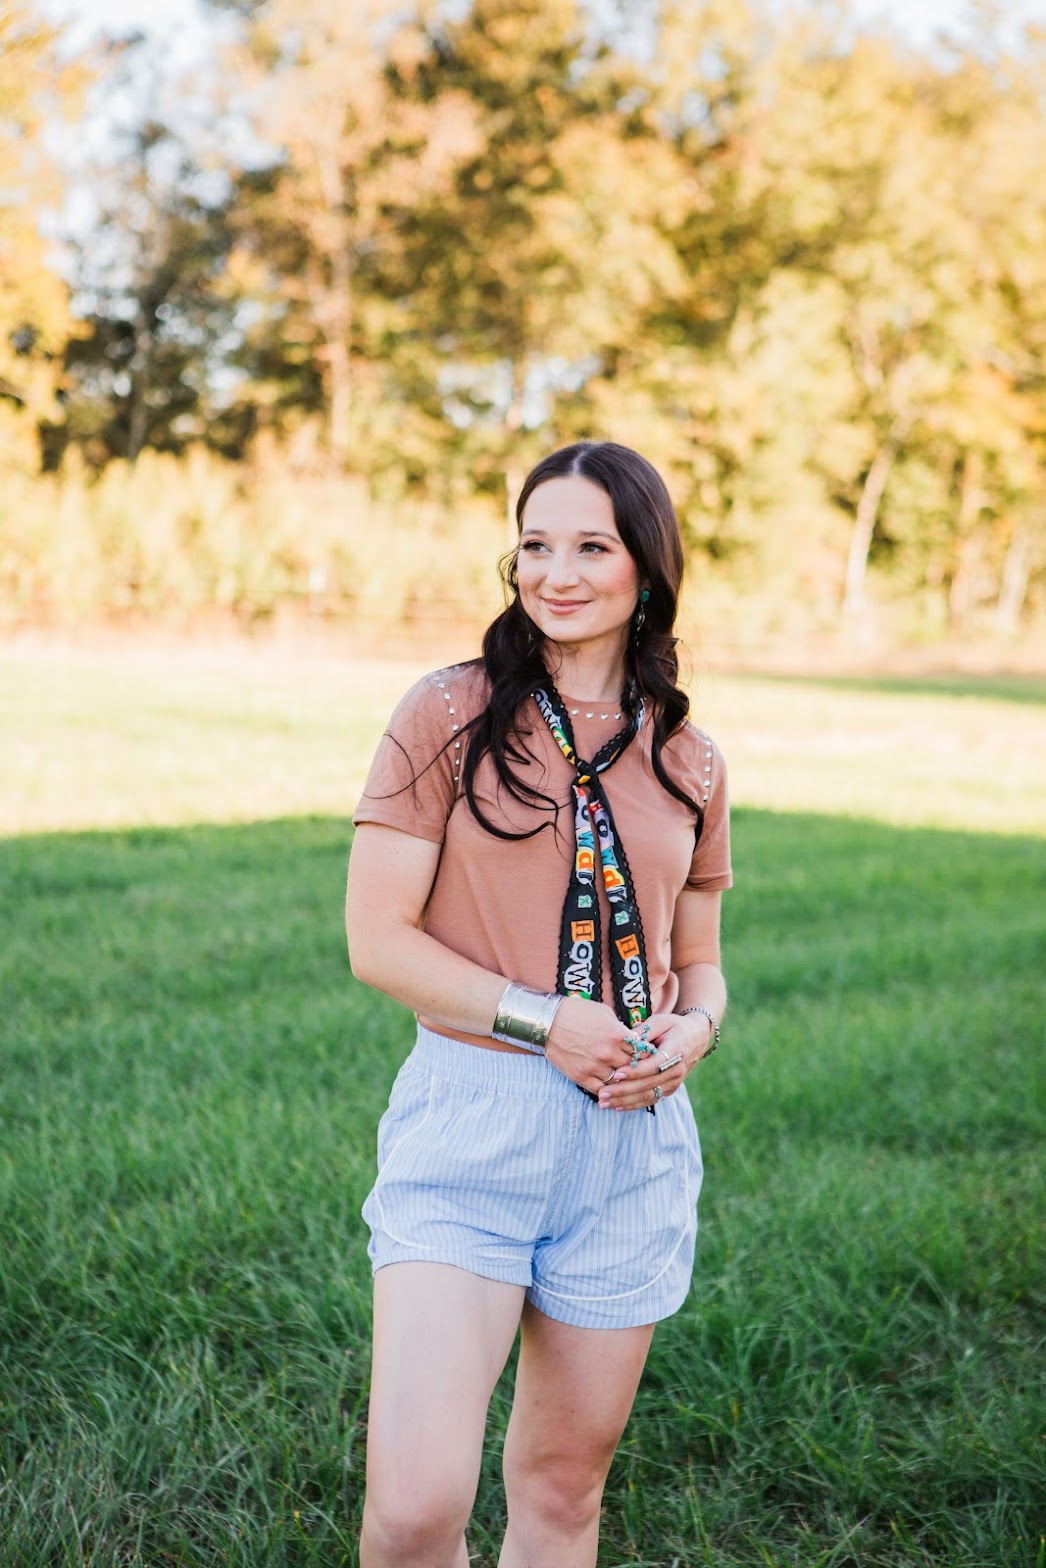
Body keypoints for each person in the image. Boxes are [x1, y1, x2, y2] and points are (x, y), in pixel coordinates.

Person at [345, 439, 731, 1568]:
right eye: (533, 543)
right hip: (472, 1124)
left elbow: (698, 959)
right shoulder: (447, 711)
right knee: (416, 1508)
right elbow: (376, 942)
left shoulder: (689, 755)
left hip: (630, 1142)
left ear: (645, 571)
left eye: (589, 546)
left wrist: (690, 1034)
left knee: (562, 1496)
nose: (554, 572)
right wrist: (540, 1016)